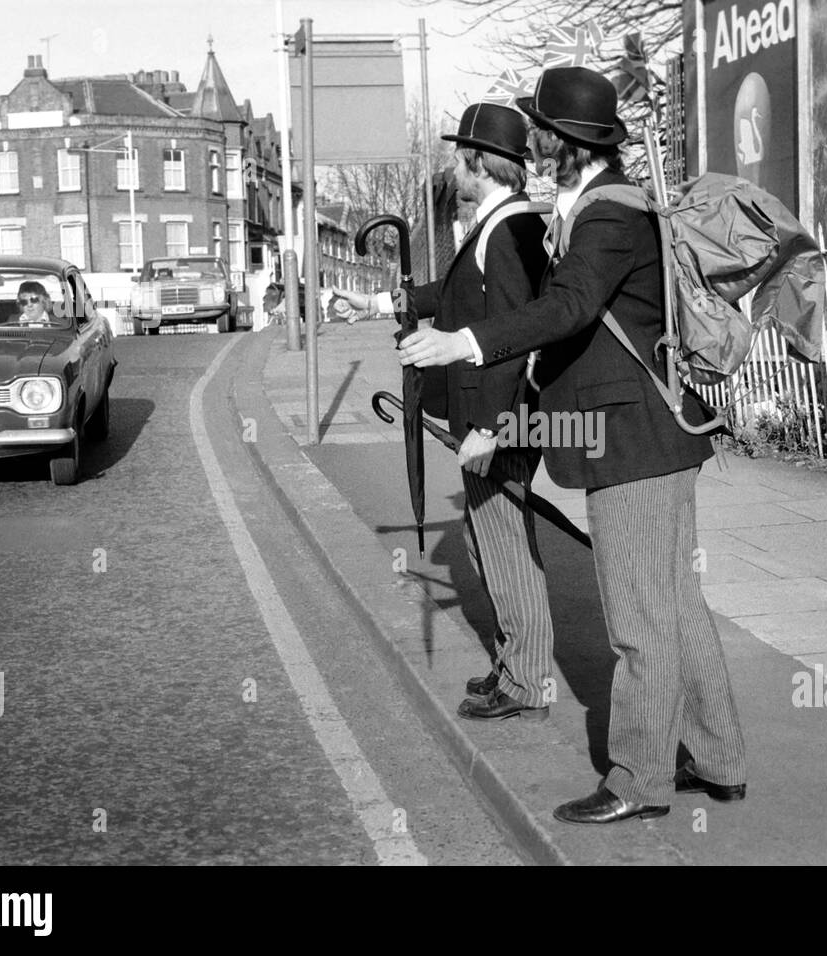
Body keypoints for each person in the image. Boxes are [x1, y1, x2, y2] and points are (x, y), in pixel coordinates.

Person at [397, 67, 747, 824]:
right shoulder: (600, 204)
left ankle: (639, 780)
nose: (535, 143)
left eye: (541, 130)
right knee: (677, 604)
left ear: (561, 138)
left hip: (633, 445)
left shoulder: (609, 215)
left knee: (639, 622)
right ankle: (717, 758)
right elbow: (577, 326)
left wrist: (466, 342)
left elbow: (569, 307)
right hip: (648, 437)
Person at [335, 102, 556, 722]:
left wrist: (489, 429)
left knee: (506, 548)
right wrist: (382, 301)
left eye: (457, 156)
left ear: (476, 162)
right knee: (489, 545)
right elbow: (462, 294)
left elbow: (513, 336)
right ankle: (516, 663)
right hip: (492, 418)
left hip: (499, 420)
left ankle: (529, 679)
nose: (451, 167)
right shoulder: (498, 224)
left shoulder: (508, 231)